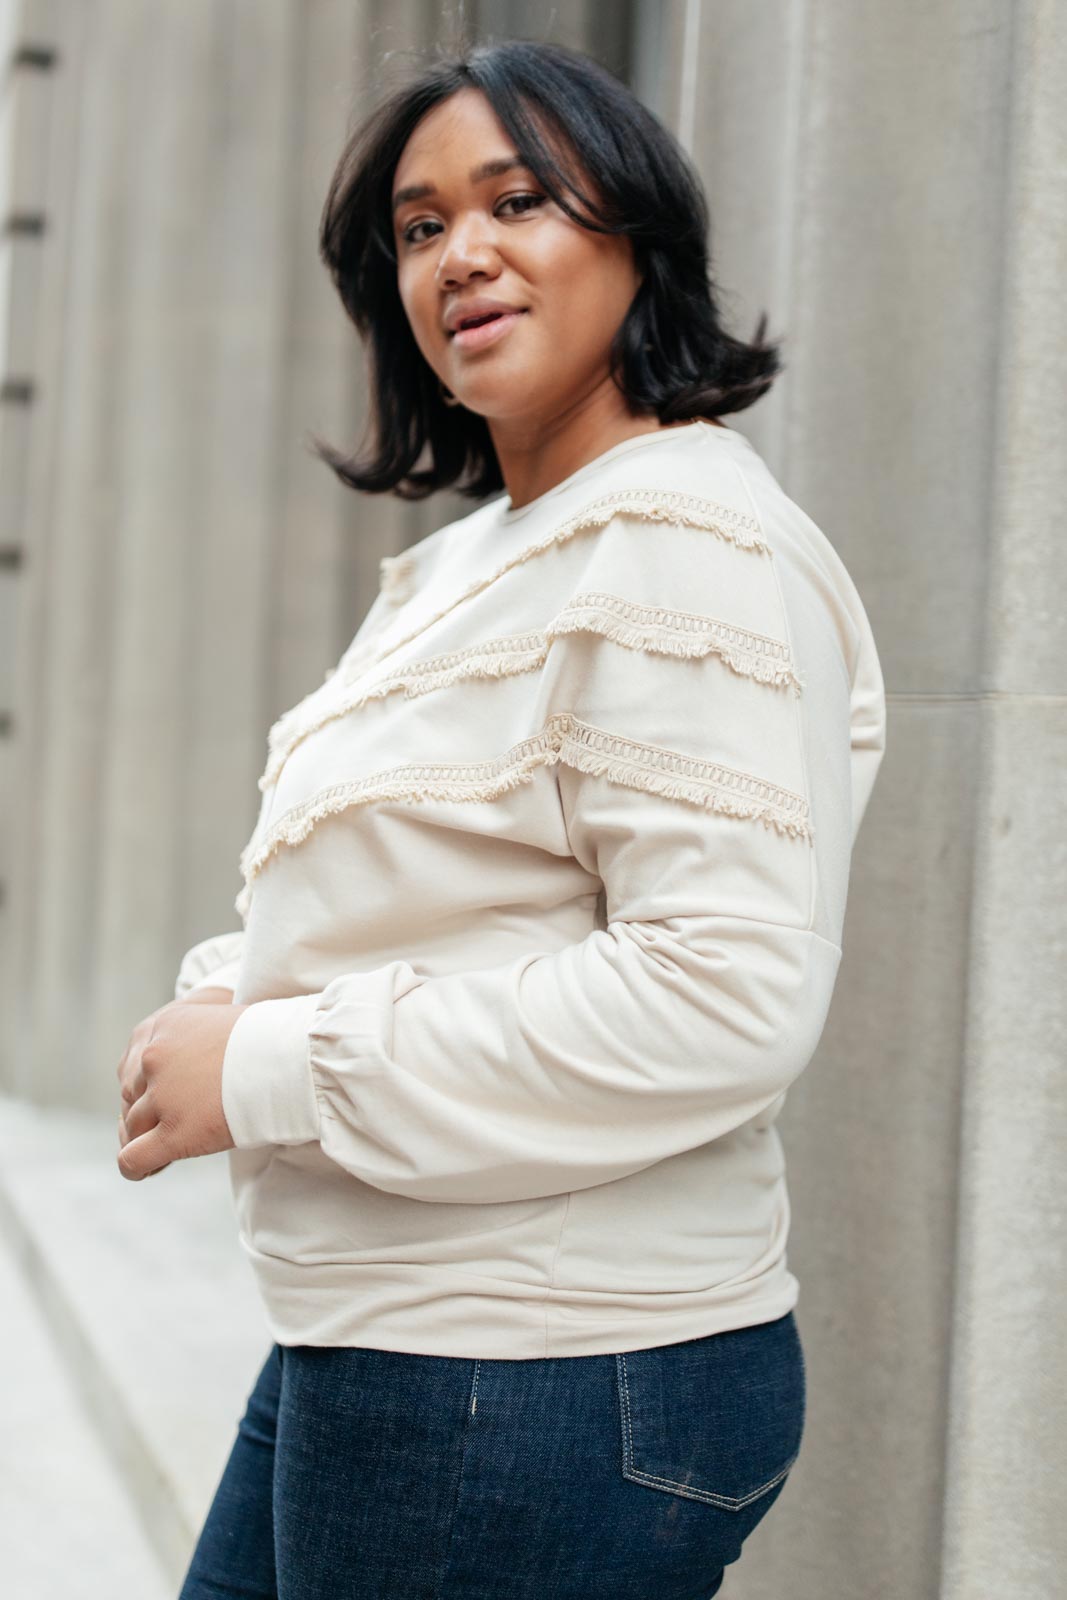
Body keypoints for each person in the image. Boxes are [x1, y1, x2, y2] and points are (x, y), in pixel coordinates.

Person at [115, 37, 886, 1600]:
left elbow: (723, 995)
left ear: (636, 234)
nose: (460, 253)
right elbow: (441, 888)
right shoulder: (489, 552)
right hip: (394, 1339)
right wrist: (228, 997)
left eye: (516, 200)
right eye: (419, 227)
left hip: (539, 1370)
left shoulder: (681, 540)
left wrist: (263, 1064)